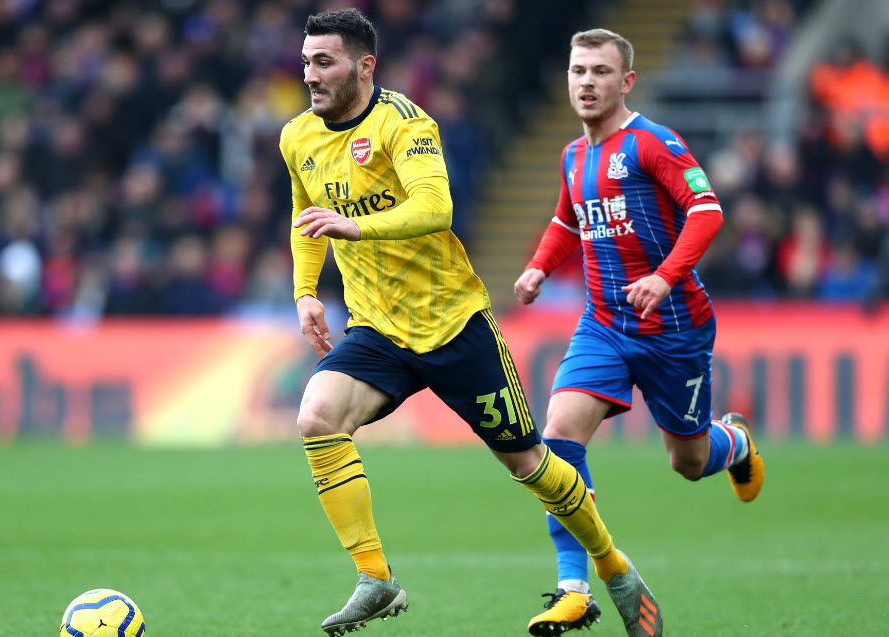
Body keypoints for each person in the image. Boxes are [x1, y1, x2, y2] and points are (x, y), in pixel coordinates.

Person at [281, 10, 662, 637]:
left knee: (529, 464)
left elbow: (436, 206)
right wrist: (304, 292)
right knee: (317, 418)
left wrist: (357, 225)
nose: (310, 75)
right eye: (305, 62)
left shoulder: (404, 125)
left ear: (364, 66)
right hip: (377, 330)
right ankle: (376, 579)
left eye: (324, 62)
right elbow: (304, 213)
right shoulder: (297, 136)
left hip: (454, 324)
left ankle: (613, 565)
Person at [514, 28, 765, 637]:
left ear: (626, 81)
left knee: (689, 459)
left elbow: (707, 212)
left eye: (600, 71)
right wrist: (539, 266)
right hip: (602, 323)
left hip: (673, 329)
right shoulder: (574, 154)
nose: (586, 82)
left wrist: (664, 276)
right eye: (578, 71)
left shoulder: (653, 143)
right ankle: (574, 588)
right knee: (557, 434)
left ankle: (734, 443)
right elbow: (564, 219)